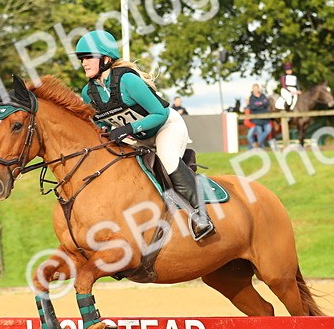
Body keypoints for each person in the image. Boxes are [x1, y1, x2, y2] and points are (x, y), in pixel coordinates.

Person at [74, 29, 214, 240]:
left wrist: (128, 129)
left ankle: (201, 214)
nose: (84, 63)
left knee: (166, 156)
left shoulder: (127, 80)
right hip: (138, 138)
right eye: (81, 59)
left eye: (88, 58)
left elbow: (160, 113)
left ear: (105, 58)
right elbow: (100, 121)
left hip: (166, 127)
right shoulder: (88, 92)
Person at [245, 84, 272, 149]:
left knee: (268, 130)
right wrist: (261, 103)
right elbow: (252, 107)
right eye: (254, 88)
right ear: (252, 89)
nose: (256, 90)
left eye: (256, 88)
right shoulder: (251, 98)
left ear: (258, 89)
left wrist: (258, 104)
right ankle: (260, 148)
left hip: (265, 118)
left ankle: (258, 144)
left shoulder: (263, 96)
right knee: (257, 134)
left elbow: (266, 103)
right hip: (257, 120)